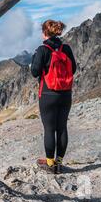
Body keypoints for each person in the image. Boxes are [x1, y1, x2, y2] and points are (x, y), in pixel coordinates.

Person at [31, 20, 77, 174]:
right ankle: (59, 162)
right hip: (66, 93)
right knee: (62, 127)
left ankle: (50, 164)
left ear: (44, 32)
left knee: (49, 129)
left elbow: (35, 72)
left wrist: (35, 59)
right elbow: (74, 69)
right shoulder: (66, 48)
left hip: (48, 94)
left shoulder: (43, 49)